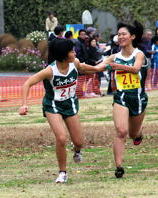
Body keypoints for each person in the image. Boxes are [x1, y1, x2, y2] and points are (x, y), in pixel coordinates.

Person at [19, 38, 106, 183]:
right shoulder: (49, 71)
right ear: (63, 55)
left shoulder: (75, 63)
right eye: (72, 51)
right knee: (61, 138)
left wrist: (100, 67)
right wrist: (24, 104)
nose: (75, 53)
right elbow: (27, 83)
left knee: (78, 141)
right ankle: (62, 173)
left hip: (70, 104)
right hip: (52, 105)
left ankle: (77, 150)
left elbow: (85, 68)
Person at [99, 20, 149, 178]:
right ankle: (119, 166)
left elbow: (135, 68)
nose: (120, 37)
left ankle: (139, 133)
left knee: (133, 134)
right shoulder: (114, 56)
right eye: (118, 34)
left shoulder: (138, 54)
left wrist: (118, 66)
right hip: (120, 97)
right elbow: (98, 67)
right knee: (121, 131)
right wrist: (79, 66)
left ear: (132, 37)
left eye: (123, 34)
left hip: (138, 98)